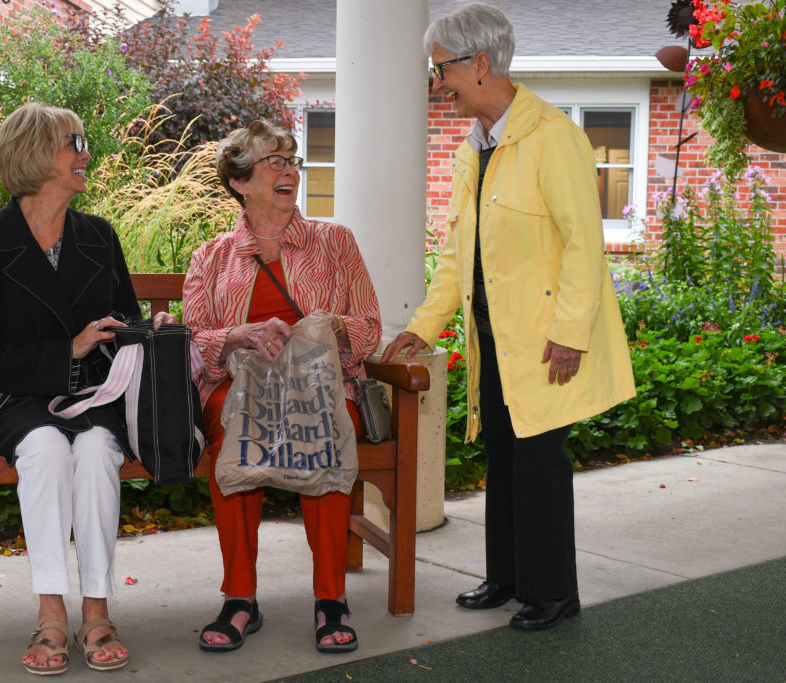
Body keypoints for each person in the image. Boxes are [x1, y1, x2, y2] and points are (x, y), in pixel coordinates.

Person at [382, 3, 636, 631]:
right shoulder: (476, 149)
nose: (437, 82)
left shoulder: (554, 136)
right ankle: (508, 577)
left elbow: (584, 242)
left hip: (547, 338)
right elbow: (455, 252)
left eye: (442, 69)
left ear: (481, 63)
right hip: (492, 335)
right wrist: (425, 324)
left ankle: (553, 592)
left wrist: (571, 333)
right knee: (501, 451)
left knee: (540, 456)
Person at [0, 102, 177, 674]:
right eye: (73, 142)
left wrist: (142, 333)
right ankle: (52, 612)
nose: (86, 153)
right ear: (35, 154)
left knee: (98, 450)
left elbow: (126, 323)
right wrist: (68, 349)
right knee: (48, 450)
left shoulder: (99, 237)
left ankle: (97, 611)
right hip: (17, 398)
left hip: (94, 397)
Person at [182, 119, 381, 653]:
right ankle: (240, 599)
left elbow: (368, 327)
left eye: (292, 160)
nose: (289, 169)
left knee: (325, 422)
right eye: (275, 160)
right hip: (243, 384)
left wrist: (330, 326)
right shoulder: (212, 256)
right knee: (233, 425)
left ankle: (331, 597)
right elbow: (196, 339)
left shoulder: (335, 242)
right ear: (241, 182)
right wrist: (238, 335)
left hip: (321, 381)